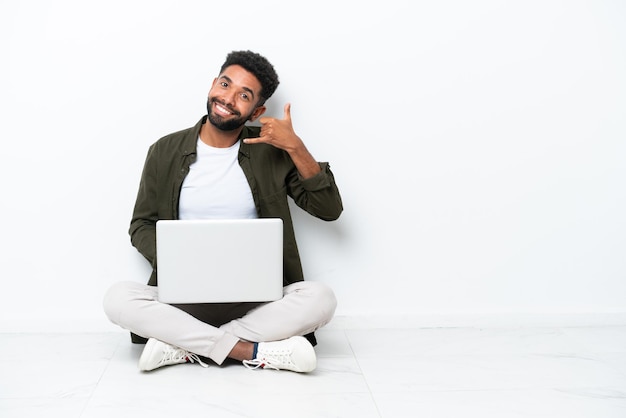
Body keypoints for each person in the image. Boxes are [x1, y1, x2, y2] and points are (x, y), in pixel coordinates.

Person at [103, 50, 343, 373]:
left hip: (256, 302)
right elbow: (141, 225)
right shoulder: (164, 151)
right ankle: (251, 350)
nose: (228, 99)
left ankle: (184, 345)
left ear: (257, 110)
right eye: (225, 84)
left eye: (243, 95)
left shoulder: (272, 151)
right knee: (117, 298)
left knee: (321, 298)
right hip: (184, 301)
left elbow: (329, 209)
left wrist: (295, 147)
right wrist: (177, 258)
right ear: (212, 84)